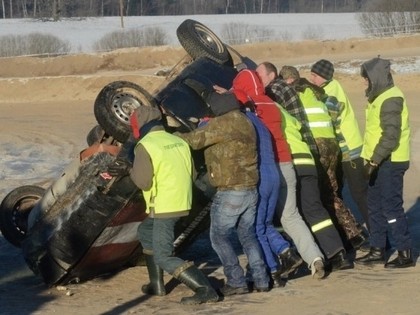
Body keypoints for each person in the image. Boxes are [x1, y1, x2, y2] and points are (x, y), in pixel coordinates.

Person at [107, 105, 219, 304]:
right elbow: (192, 174)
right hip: (183, 201)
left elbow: (143, 182)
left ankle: (204, 288)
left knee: (164, 256)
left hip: (165, 206)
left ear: (139, 127)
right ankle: (156, 284)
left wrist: (128, 169)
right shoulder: (177, 141)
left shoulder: (145, 145)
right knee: (145, 231)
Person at [231, 69, 326, 279]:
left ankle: (270, 267)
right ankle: (315, 258)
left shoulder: (250, 106)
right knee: (291, 217)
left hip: (268, 168)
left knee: (259, 221)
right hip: (287, 164)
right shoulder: (273, 105)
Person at [177, 90, 270, 295]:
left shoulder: (224, 123)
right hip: (250, 188)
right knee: (248, 235)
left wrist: (171, 134)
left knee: (218, 236)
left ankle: (236, 281)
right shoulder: (246, 121)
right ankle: (261, 278)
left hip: (230, 190)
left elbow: (193, 141)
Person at [280, 65, 366, 251]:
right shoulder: (316, 91)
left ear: (287, 81)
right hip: (332, 145)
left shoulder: (294, 93)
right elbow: (334, 109)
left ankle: (331, 240)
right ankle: (353, 234)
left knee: (314, 197)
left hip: (316, 146)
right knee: (331, 192)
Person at [277, 103, 351, 271]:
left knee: (288, 213)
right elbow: (299, 126)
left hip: (291, 161)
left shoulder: (263, 109)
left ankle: (296, 255)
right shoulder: (283, 111)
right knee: (315, 209)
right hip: (307, 159)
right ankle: (338, 254)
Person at [355, 57, 414, 268]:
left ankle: (404, 252)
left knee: (391, 208)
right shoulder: (377, 97)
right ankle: (378, 248)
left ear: (376, 77)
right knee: (374, 207)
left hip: (390, 161)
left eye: (366, 78)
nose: (364, 83)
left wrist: (374, 160)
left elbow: (391, 135)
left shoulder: (391, 98)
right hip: (376, 160)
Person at [310, 59, 369, 233]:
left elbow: (328, 117)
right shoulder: (327, 88)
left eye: (314, 76)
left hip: (349, 151)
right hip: (342, 151)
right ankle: (350, 232)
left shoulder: (331, 91)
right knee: (340, 193)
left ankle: (380, 238)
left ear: (324, 77)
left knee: (360, 194)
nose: (312, 79)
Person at [256, 61, 319, 157]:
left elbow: (266, 112)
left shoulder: (275, 88)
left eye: (259, 76)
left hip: (296, 149)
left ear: (272, 75)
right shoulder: (282, 86)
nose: (257, 80)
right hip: (304, 146)